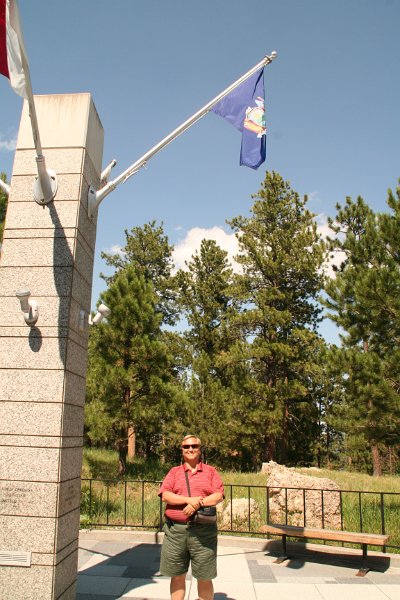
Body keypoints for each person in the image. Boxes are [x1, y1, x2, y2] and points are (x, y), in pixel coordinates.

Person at [159, 434, 224, 600]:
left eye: (194, 446)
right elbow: (165, 495)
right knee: (177, 575)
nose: (190, 449)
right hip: (176, 532)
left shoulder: (210, 472)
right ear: (181, 450)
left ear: (200, 449)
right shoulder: (174, 472)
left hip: (204, 533)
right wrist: (189, 500)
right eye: (186, 447)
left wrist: (197, 504)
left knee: (204, 576)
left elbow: (218, 495)